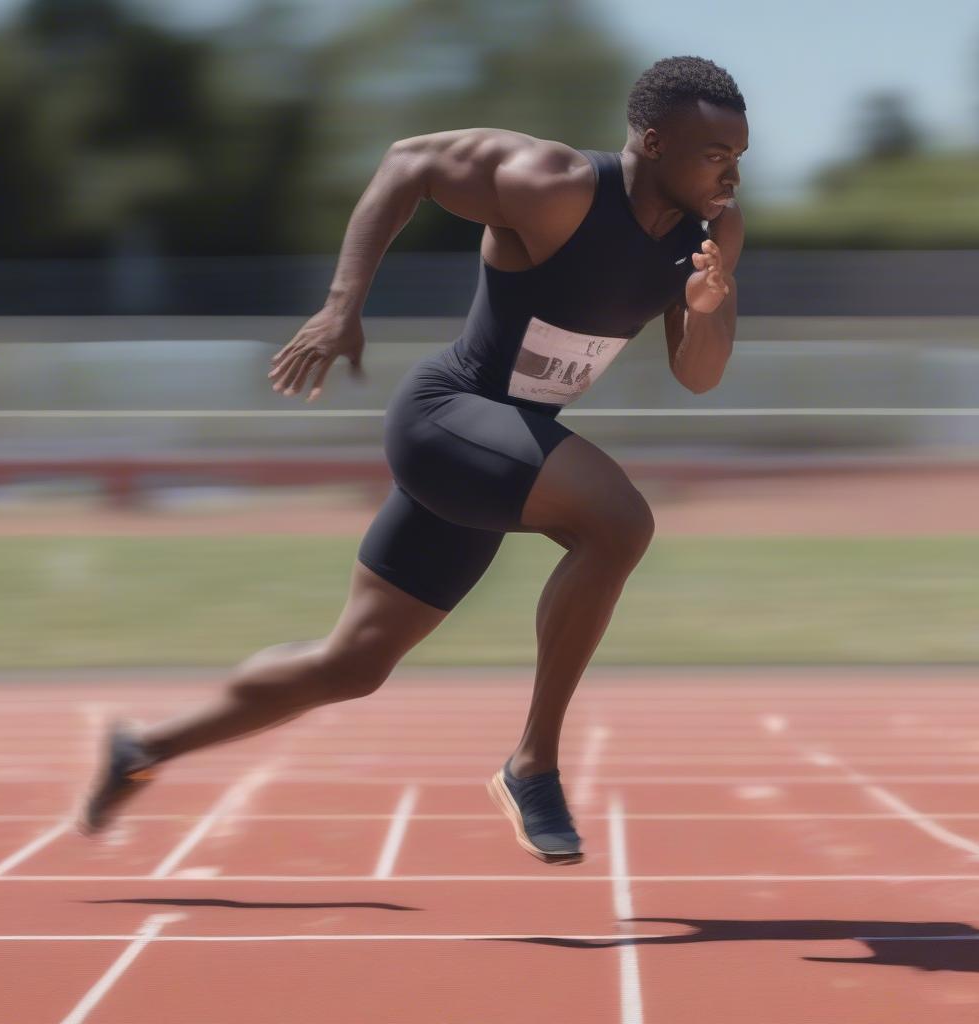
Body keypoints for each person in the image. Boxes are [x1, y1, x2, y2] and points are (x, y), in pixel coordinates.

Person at [78, 55, 748, 866]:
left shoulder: (712, 236)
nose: (732, 174)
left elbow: (698, 374)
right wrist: (340, 307)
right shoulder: (555, 185)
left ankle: (142, 747)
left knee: (351, 662)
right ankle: (531, 763)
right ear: (654, 141)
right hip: (450, 418)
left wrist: (707, 310)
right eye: (717, 156)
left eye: (740, 156)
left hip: (507, 449)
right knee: (618, 523)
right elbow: (410, 163)